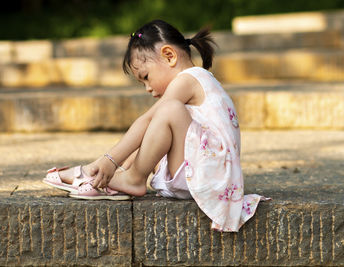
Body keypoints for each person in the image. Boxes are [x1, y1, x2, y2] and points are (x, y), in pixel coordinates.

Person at [43, 19, 269, 232]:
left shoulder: (189, 79)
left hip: (208, 175)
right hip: (204, 170)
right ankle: (113, 175)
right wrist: (111, 163)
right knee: (160, 121)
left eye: (146, 77)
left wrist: (109, 158)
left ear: (169, 56)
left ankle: (131, 178)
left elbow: (147, 120)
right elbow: (149, 132)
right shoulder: (193, 82)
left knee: (167, 111)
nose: (148, 88)